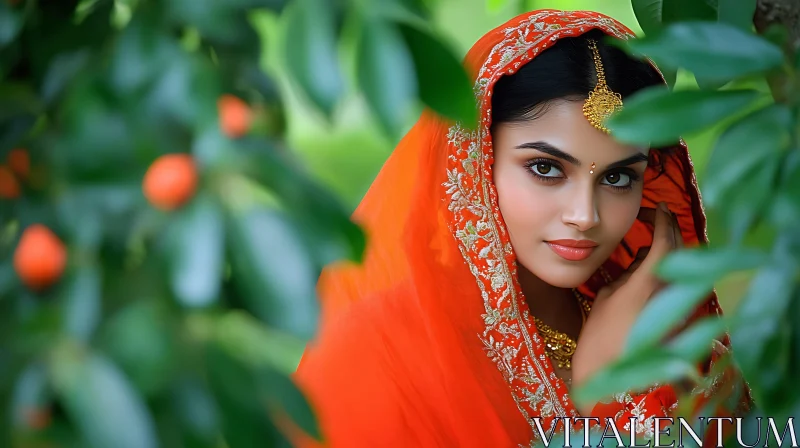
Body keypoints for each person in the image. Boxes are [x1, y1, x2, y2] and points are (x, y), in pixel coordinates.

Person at [292, 9, 750, 447]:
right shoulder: (375, 354)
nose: (584, 215)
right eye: (546, 168)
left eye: (617, 177)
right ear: (476, 158)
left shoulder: (672, 340)